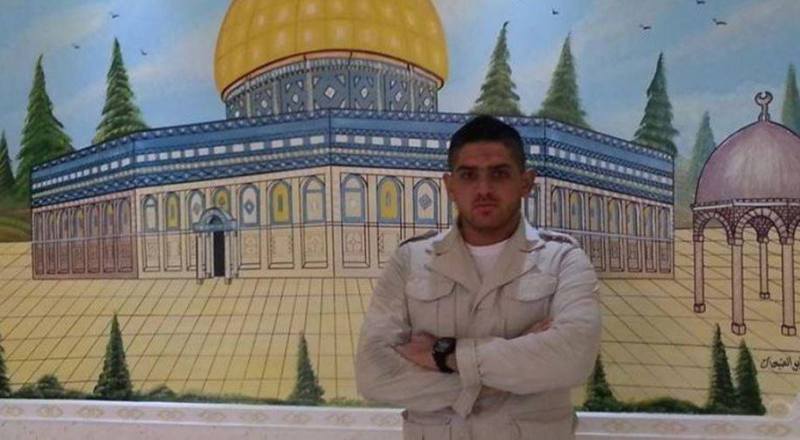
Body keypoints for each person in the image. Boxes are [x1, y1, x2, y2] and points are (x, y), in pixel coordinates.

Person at [355, 115, 601, 440]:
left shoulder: (562, 259)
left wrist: (442, 354)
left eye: (499, 174)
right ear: (450, 186)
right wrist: (501, 378)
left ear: (526, 182)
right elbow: (374, 375)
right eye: (468, 175)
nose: (484, 189)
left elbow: (572, 359)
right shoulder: (410, 260)